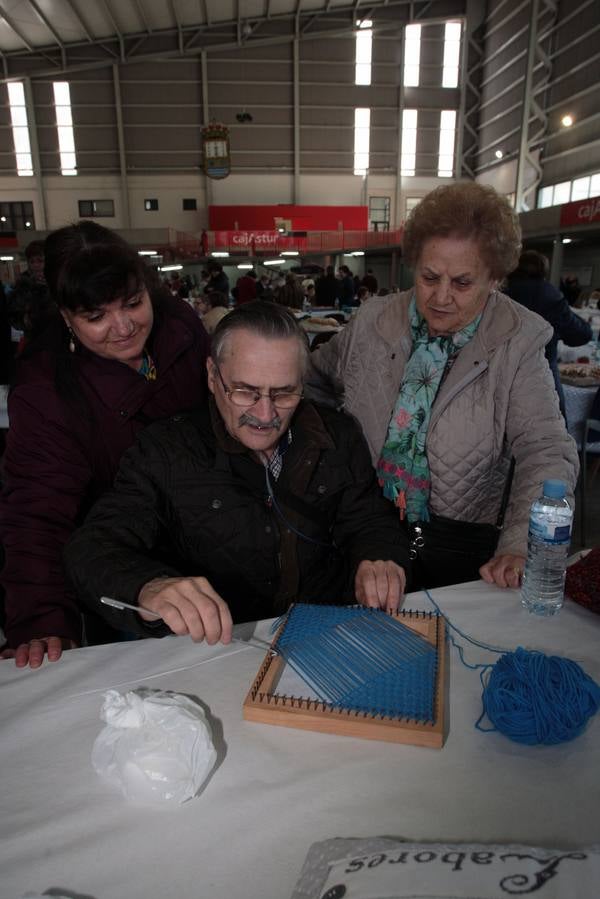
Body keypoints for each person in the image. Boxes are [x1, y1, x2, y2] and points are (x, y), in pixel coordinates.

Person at [64, 302, 409, 643]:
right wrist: (147, 586)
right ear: (213, 376)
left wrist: (377, 558)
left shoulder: (338, 435)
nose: (265, 414)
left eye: (284, 393)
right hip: (215, 646)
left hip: (324, 635)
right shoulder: (164, 452)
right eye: (245, 391)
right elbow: (92, 548)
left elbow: (369, 520)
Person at [309, 182, 579, 591]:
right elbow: (313, 383)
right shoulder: (372, 321)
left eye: (462, 282)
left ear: (495, 278)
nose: (441, 296)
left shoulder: (517, 340)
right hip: (364, 529)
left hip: (460, 544)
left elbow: (545, 449)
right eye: (429, 277)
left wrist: (521, 543)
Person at [0, 221, 211, 668]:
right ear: (66, 316)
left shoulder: (180, 327)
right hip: (124, 569)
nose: (124, 327)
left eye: (133, 303)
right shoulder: (48, 391)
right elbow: (36, 513)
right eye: (96, 317)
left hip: (215, 538)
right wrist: (42, 620)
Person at [504, 250, 592, 418]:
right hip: (541, 376)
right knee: (550, 427)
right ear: (543, 270)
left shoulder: (500, 292)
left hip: (500, 375)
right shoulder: (550, 295)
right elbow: (581, 335)